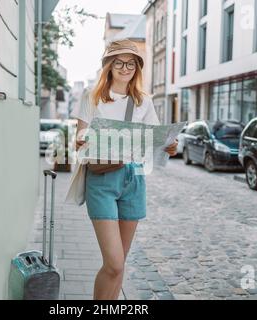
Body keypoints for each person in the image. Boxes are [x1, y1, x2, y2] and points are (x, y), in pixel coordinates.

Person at [70, 39, 178, 300]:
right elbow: (79, 140)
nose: (125, 67)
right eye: (118, 62)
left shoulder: (143, 101)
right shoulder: (92, 97)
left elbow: (155, 137)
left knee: (119, 267)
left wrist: (169, 146)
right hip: (103, 179)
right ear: (109, 65)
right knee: (114, 263)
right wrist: (87, 139)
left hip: (135, 178)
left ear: (137, 67)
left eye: (130, 63)